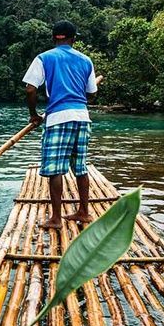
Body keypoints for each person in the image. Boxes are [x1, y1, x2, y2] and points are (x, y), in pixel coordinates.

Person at [23, 20, 98, 229]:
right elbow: (92, 93)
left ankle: (56, 218)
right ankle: (84, 212)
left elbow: (30, 89)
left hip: (58, 118)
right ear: (73, 38)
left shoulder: (44, 58)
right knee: (80, 167)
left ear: (54, 38)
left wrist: (34, 115)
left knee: (55, 169)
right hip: (82, 117)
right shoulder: (85, 60)